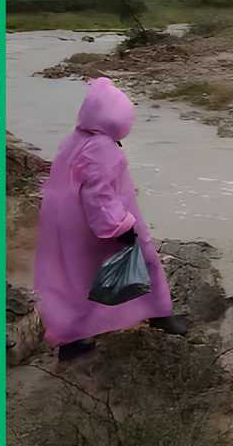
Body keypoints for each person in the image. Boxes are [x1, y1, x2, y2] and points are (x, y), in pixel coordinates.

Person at [34, 77, 187, 362]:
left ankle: (72, 337)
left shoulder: (77, 138)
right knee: (146, 262)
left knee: (77, 280)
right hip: (99, 224)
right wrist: (121, 227)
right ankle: (160, 314)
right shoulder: (101, 148)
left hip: (71, 223)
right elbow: (100, 195)